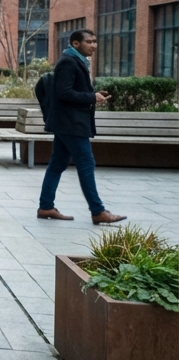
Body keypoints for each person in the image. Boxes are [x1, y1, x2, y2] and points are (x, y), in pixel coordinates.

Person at [37, 29, 127, 225]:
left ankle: (45, 207)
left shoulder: (76, 60)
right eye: (89, 42)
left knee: (58, 164)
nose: (94, 45)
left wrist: (93, 93)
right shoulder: (69, 62)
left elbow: (71, 91)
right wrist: (91, 97)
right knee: (86, 163)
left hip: (67, 122)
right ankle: (98, 211)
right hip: (71, 124)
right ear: (76, 43)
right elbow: (64, 93)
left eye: (95, 41)